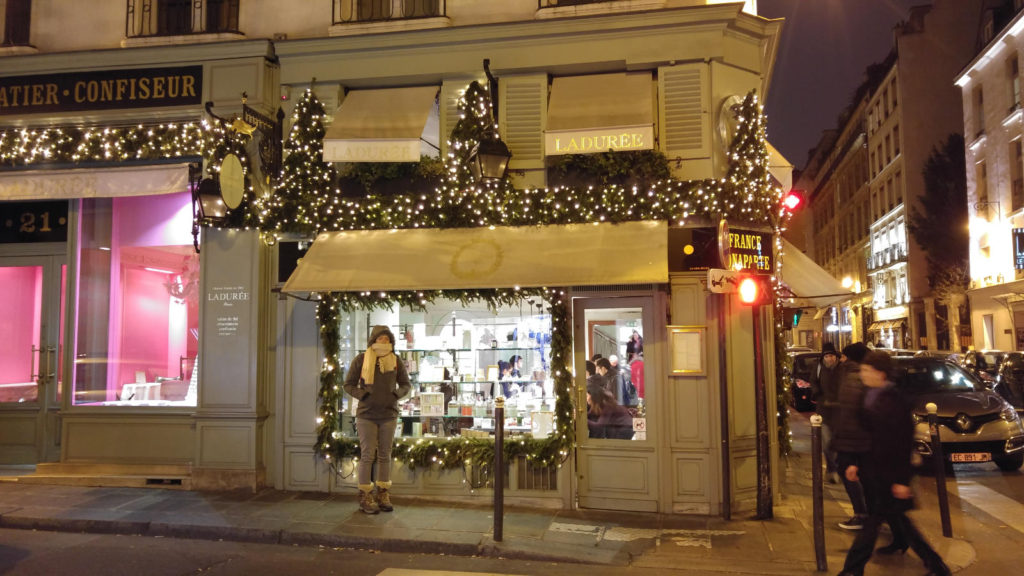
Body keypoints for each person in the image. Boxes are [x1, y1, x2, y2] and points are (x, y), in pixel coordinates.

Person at [838, 351, 951, 576]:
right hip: (875, 470)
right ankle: (937, 566)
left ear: (880, 374)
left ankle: (852, 569)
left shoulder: (895, 401)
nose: (862, 374)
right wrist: (854, 462)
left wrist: (902, 481)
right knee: (899, 522)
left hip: (890, 473)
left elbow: (902, 443)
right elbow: (866, 435)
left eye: (867, 370)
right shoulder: (868, 395)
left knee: (872, 523)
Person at [343, 325, 412, 515]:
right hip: (366, 415)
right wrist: (363, 395)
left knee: (385, 455)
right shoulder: (361, 359)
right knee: (367, 455)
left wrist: (395, 395)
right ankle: (365, 495)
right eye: (380, 338)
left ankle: (383, 494)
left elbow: (406, 384)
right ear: (373, 340)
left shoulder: (395, 360)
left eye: (387, 339)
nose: (383, 341)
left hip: (389, 414)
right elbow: (348, 385)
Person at [831, 342, 871, 530]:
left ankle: (863, 514)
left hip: (853, 437)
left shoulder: (853, 376)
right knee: (855, 473)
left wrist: (840, 436)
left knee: (849, 472)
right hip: (854, 436)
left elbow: (851, 411)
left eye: (844, 356)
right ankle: (870, 513)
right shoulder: (852, 374)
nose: (841, 359)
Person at [811, 342, 841, 482]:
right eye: (827, 356)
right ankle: (832, 469)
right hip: (824, 411)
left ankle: (836, 469)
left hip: (839, 412)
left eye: (832, 356)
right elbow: (813, 382)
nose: (830, 359)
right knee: (827, 442)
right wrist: (818, 395)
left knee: (838, 443)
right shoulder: (818, 368)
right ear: (823, 357)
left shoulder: (841, 369)